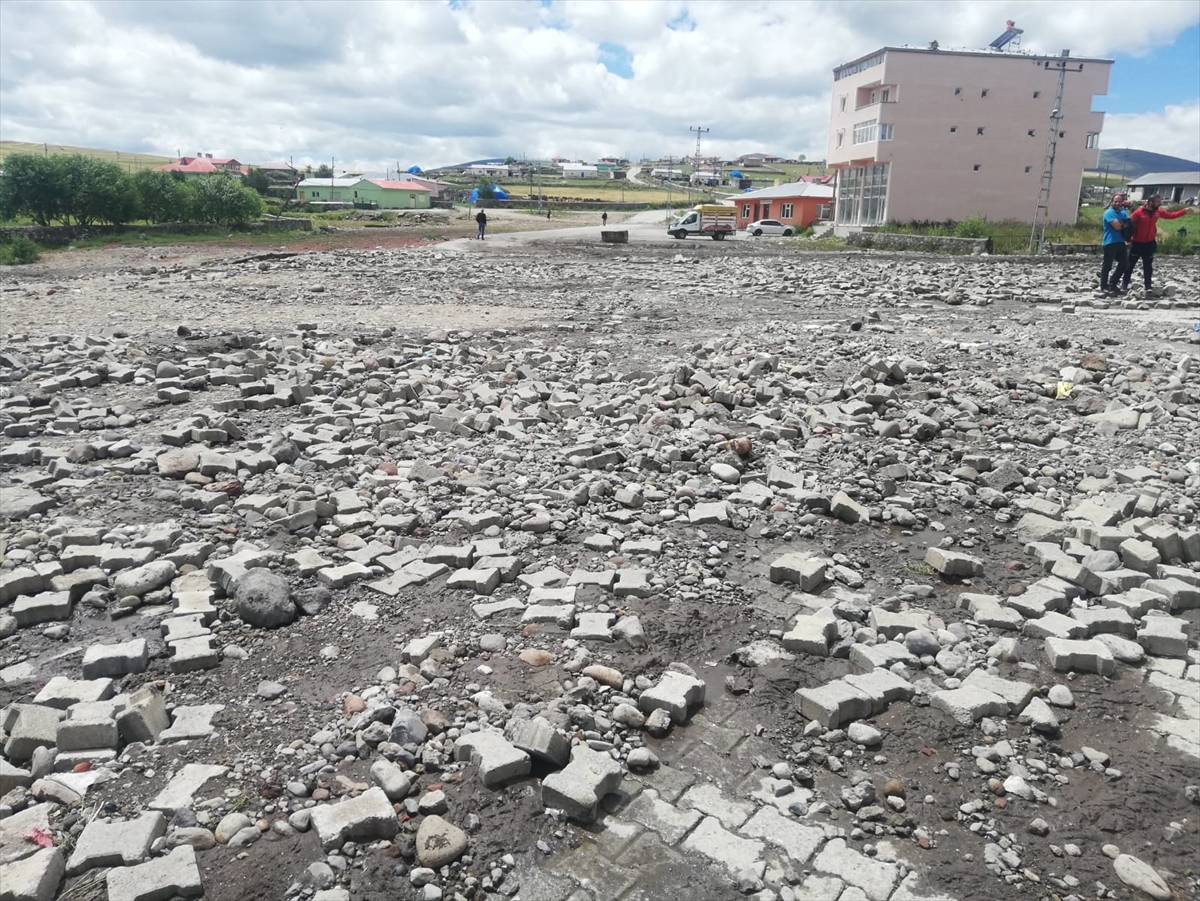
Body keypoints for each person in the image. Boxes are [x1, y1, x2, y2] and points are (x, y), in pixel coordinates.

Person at [1122, 193, 1196, 294]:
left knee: (1148, 266)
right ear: (1150, 202)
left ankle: (1148, 286)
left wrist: (1184, 211)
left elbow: (1170, 216)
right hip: (1137, 243)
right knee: (1130, 265)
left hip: (1150, 243)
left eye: (1160, 202)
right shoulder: (1138, 212)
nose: (1159, 204)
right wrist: (1128, 240)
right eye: (1157, 202)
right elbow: (1128, 226)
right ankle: (1124, 285)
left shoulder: (1158, 211)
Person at [1099, 193, 1130, 294]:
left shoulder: (1123, 213)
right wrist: (1125, 225)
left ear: (1122, 202)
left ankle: (1112, 284)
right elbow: (1117, 227)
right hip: (1110, 242)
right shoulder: (1109, 213)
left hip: (1120, 241)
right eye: (1115, 201)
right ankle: (1103, 286)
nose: (1117, 203)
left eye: (1119, 201)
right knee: (1107, 265)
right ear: (1111, 202)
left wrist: (1125, 226)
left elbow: (1130, 225)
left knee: (1124, 263)